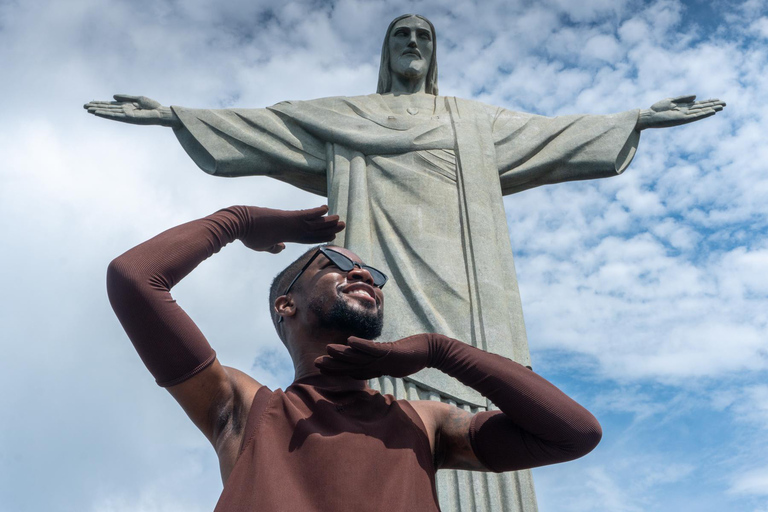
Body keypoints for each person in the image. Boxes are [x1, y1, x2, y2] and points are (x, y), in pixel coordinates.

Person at [85, 16, 726, 410]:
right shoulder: (344, 117)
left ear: (432, 54)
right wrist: (175, 115)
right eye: (402, 36)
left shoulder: (471, 121)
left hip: (464, 277)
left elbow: (552, 136)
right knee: (379, 366)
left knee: (471, 382)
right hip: (371, 258)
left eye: (423, 36)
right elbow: (268, 126)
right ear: (388, 52)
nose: (413, 43)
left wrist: (635, 118)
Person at [107, 204, 603, 511]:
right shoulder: (241, 407)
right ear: (287, 305)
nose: (364, 275)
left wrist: (440, 350)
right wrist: (238, 221)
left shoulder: (425, 424)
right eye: (338, 264)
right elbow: (136, 278)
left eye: (372, 274)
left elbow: (574, 433)